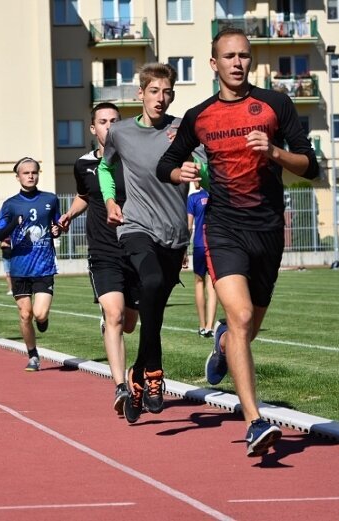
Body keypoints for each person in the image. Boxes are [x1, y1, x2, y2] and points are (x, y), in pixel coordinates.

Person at [156, 28, 320, 457]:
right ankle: (255, 421)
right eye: (228, 56)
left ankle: (224, 344)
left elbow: (311, 167)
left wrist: (275, 153)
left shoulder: (275, 105)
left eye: (244, 56)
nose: (237, 63)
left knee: (247, 330)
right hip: (224, 228)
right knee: (241, 316)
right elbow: (166, 164)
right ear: (214, 64)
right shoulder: (199, 115)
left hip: (267, 231)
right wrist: (181, 174)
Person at [98, 63, 189, 424]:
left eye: (167, 92)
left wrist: (198, 172)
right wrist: (109, 200)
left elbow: (206, 167)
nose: (160, 99)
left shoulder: (183, 130)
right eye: (154, 91)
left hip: (173, 234)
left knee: (155, 312)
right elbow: (105, 168)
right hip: (135, 226)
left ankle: (138, 370)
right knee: (149, 282)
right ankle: (154, 372)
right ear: (141, 94)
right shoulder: (120, 132)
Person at [59, 102, 140, 415]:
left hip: (135, 247)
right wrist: (68, 215)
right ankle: (120, 385)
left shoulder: (133, 160)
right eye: (103, 122)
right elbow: (84, 195)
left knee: (129, 323)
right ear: (93, 129)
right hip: (102, 251)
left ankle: (127, 364)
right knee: (114, 315)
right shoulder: (82, 165)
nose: (109, 126)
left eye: (114, 121)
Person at [0, 157, 61, 371]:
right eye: (26, 173)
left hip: (43, 266)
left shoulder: (50, 199)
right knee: (25, 314)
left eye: (34, 172)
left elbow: (57, 224)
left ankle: (43, 320)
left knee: (39, 314)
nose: (30, 176)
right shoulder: (10, 204)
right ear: (18, 177)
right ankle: (32, 355)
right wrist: (14, 223)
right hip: (19, 268)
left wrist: (58, 229)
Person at [187, 179, 217, 338]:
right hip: (214, 245)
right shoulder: (217, 196)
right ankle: (209, 326)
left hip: (199, 245)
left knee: (199, 283)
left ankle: (201, 325)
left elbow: (188, 226)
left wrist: (184, 248)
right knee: (212, 285)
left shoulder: (193, 198)